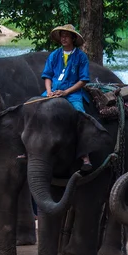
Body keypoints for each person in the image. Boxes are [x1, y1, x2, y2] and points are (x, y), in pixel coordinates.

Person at [41, 24, 92, 171]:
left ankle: (85, 155)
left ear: (73, 38)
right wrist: (49, 91)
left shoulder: (81, 57)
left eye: (66, 35)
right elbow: (47, 76)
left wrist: (66, 92)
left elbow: (83, 80)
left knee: (80, 115)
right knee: (34, 109)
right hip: (53, 90)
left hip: (73, 93)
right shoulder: (54, 55)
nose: (63, 38)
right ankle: (31, 149)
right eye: (61, 35)